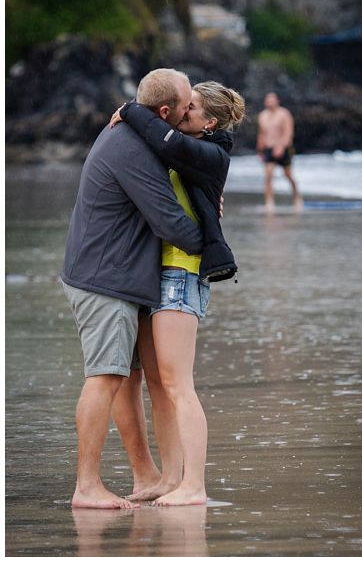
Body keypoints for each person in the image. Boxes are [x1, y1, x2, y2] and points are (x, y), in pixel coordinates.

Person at [61, 68, 202, 509]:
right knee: (105, 377)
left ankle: (146, 475)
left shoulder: (134, 134)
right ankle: (86, 486)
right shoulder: (131, 149)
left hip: (114, 275)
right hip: (104, 279)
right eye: (186, 107)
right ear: (165, 112)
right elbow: (171, 224)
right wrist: (213, 242)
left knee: (128, 377)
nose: (189, 113)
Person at [109, 81, 245, 506]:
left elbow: (163, 139)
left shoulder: (210, 153)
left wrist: (131, 110)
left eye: (191, 109)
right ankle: (170, 479)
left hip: (183, 274)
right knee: (159, 383)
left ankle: (194, 485)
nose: (182, 113)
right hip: (159, 272)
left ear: (210, 122)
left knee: (177, 383)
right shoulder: (189, 147)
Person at [257, 91, 301, 212]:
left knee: (287, 174)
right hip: (268, 148)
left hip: (284, 148)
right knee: (268, 175)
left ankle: (297, 197)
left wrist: (281, 147)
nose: (270, 102)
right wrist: (260, 150)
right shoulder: (262, 115)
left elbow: (288, 132)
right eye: (268, 100)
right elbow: (261, 134)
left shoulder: (284, 114)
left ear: (277, 101)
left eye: (272, 99)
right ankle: (269, 203)